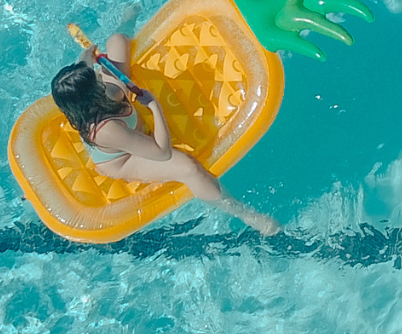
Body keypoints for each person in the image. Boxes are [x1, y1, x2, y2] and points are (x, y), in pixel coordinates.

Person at [51, 31, 280, 235]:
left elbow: (86, 67)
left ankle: (125, 24)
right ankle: (245, 214)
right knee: (188, 168)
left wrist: (87, 55)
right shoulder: (107, 129)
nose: (100, 73)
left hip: (116, 113)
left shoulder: (96, 97)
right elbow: (161, 152)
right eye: (95, 78)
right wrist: (153, 106)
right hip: (124, 159)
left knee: (117, 41)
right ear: (93, 96)